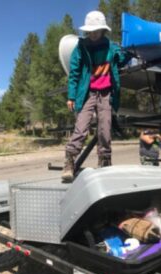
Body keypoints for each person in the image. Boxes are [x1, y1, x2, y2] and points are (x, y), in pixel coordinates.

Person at [62, 10, 132, 182]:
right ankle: (70, 161)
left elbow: (123, 59)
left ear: (103, 30)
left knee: (105, 128)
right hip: (87, 93)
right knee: (81, 127)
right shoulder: (81, 48)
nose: (93, 34)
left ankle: (105, 161)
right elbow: (74, 73)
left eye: (96, 31)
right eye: (90, 31)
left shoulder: (111, 47)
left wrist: (128, 50)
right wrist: (71, 96)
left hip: (106, 93)